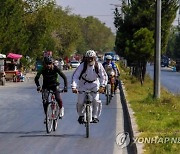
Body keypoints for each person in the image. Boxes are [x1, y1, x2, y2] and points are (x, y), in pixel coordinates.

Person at [71, 50, 108, 124]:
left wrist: (102, 86)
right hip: (83, 84)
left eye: (91, 58)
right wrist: (74, 87)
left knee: (96, 100)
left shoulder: (98, 66)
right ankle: (81, 115)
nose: (90, 60)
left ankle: (95, 116)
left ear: (94, 58)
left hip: (94, 84)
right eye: (88, 58)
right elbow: (75, 76)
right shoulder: (82, 66)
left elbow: (103, 76)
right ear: (86, 58)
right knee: (80, 102)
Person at [35, 56, 68, 123]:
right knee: (45, 101)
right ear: (44, 64)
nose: (48, 65)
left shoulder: (55, 68)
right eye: (46, 64)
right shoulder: (42, 69)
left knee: (58, 98)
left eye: (49, 63)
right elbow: (36, 78)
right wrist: (38, 86)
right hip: (46, 86)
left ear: (52, 63)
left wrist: (65, 87)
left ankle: (61, 108)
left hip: (55, 85)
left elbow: (64, 77)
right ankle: (47, 116)